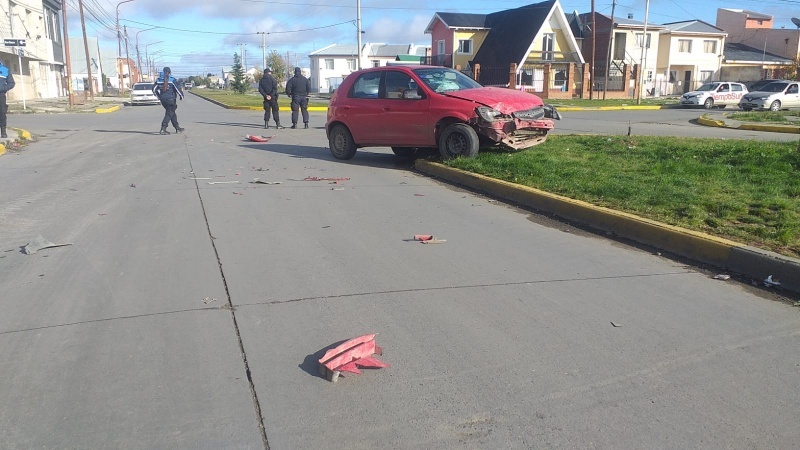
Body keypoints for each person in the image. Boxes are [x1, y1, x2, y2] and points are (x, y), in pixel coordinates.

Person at [152, 67, 184, 135]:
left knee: (171, 113)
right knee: (169, 113)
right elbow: (178, 88)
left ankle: (177, 128)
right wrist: (181, 96)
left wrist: (159, 96)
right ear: (169, 72)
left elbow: (154, 89)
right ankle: (163, 128)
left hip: (163, 100)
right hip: (171, 100)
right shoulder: (172, 80)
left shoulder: (158, 80)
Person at [0, 61, 16, 138]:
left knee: (2, 114)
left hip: (1, 95)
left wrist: (2, 89)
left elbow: (11, 83)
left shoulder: (5, 70)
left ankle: (3, 132)